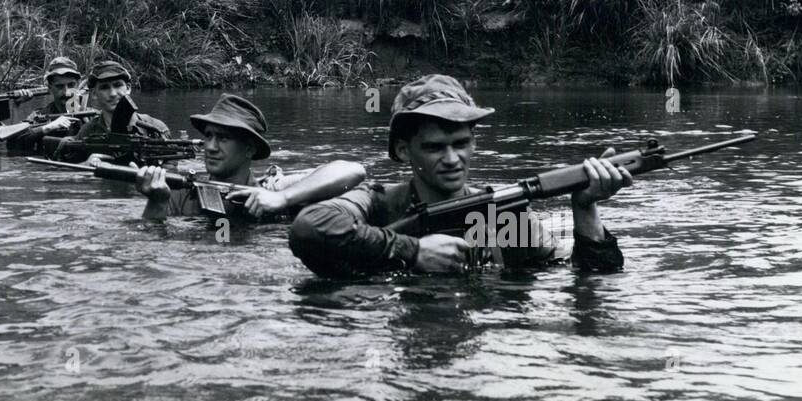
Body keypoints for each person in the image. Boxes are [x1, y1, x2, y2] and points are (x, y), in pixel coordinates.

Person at [288, 74, 627, 278]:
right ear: (405, 151)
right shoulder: (377, 203)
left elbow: (590, 279)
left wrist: (585, 210)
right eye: (435, 147)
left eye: (462, 143)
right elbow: (308, 227)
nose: (452, 159)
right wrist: (414, 251)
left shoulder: (503, 214)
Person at [133, 94, 366, 222]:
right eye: (208, 136)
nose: (211, 147)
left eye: (223, 138)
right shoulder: (178, 193)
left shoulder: (273, 190)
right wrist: (156, 202)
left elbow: (353, 171)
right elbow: (152, 253)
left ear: (249, 149)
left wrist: (282, 199)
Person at [2, 56, 87, 152]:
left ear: (78, 85)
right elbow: (13, 146)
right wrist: (47, 128)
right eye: (60, 86)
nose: (66, 92)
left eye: (71, 85)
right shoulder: (39, 116)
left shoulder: (90, 115)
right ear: (50, 88)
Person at [73, 60, 170, 140]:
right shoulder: (87, 132)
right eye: (104, 87)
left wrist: (157, 164)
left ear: (128, 88)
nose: (113, 94)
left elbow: (172, 160)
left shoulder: (155, 128)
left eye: (117, 85)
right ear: (94, 94)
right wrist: (87, 163)